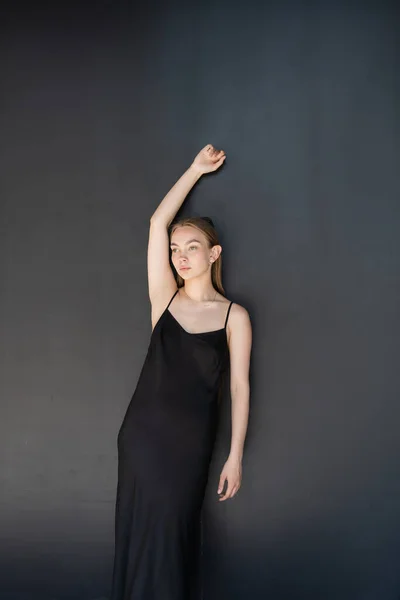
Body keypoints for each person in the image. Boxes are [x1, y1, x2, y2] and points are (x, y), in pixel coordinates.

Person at [110, 143, 252, 600]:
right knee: (139, 535)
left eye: (192, 247)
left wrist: (235, 455)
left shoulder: (235, 316)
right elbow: (156, 223)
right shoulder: (165, 300)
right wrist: (194, 170)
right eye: (176, 249)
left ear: (214, 254)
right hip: (142, 436)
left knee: (175, 536)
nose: (181, 256)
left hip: (189, 445)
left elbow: (239, 386)